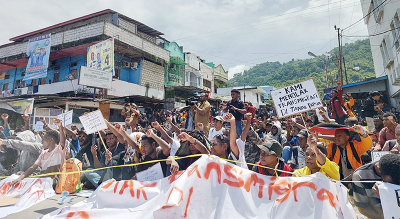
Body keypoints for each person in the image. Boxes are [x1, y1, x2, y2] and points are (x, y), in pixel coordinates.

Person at [11, 120, 66, 187]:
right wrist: (20, 178)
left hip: (53, 182)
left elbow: (62, 142)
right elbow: (33, 167)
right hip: (42, 180)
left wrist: (60, 127)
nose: (42, 141)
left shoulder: (59, 150)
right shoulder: (44, 153)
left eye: (44, 139)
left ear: (51, 140)